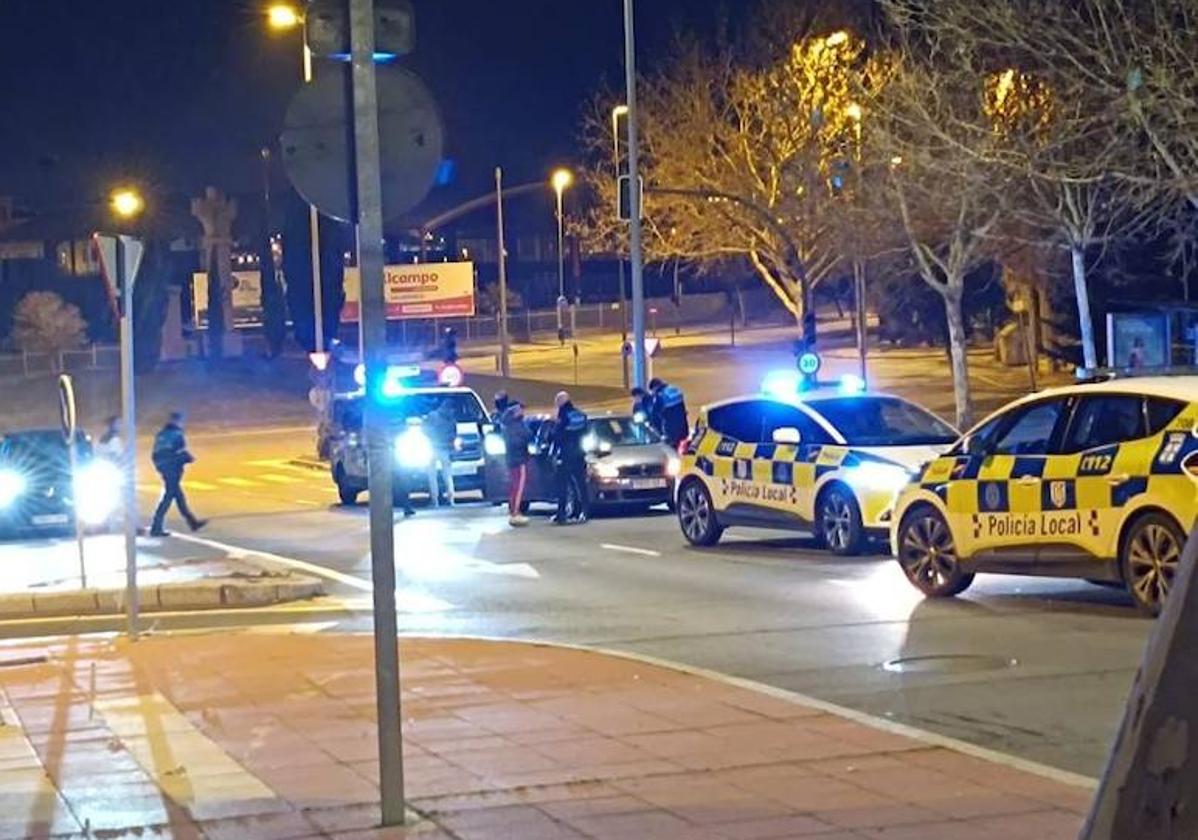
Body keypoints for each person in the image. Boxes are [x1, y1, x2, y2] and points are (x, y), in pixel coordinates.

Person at [150, 412, 206, 537]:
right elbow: (180, 452)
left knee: (179, 498)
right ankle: (156, 527)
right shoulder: (177, 434)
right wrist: (189, 459)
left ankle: (192, 522)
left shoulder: (161, 434)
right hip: (172, 470)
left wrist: (160, 468)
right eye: (180, 421)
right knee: (168, 498)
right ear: (177, 421)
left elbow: (155, 454)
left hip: (164, 468)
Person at [551, 390, 589, 525]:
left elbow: (556, 436)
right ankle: (584, 511)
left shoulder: (562, 416)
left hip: (566, 455)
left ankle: (561, 514)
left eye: (557, 402)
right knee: (581, 484)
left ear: (561, 402)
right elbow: (586, 433)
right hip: (580, 454)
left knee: (563, 486)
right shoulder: (581, 415)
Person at [500, 401, 532, 527]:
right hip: (518, 459)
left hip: (512, 459)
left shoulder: (507, 425)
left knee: (514, 486)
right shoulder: (517, 425)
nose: (522, 412)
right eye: (520, 410)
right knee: (518, 486)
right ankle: (515, 512)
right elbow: (527, 436)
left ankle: (514, 510)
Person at [422, 400, 457, 507]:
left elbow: (425, 430)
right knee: (447, 476)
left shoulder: (432, 416)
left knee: (432, 475)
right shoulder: (451, 419)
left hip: (432, 448)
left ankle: (435, 500)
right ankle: (451, 500)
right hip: (445, 449)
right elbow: (454, 435)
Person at [649, 378, 690, 449]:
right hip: (683, 425)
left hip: (671, 428)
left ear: (654, 388)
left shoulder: (660, 395)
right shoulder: (674, 389)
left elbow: (655, 413)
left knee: (672, 447)